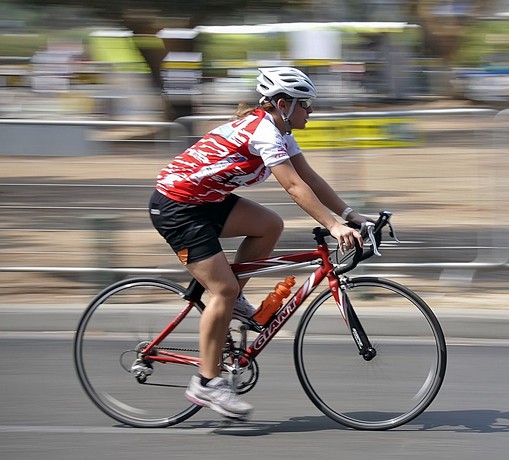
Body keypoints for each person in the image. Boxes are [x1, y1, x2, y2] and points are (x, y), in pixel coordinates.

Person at [148, 67, 368, 420]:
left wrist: (349, 214)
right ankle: (206, 382)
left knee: (269, 225)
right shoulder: (264, 131)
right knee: (222, 290)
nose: (310, 111)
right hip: (177, 207)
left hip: (206, 201)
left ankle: (233, 300)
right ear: (283, 104)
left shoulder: (279, 128)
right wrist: (332, 225)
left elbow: (309, 176)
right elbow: (294, 186)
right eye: (306, 104)